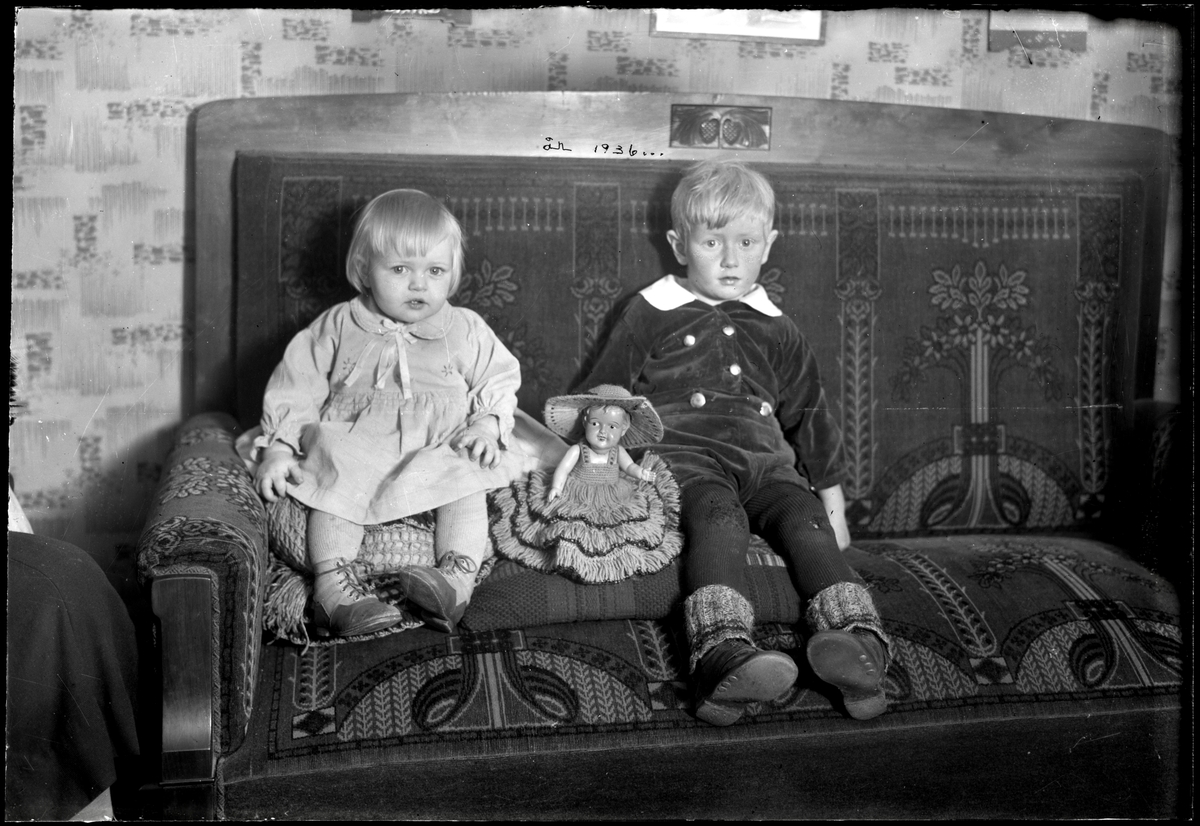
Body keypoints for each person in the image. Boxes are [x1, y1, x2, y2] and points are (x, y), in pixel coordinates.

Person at [576, 160, 892, 725]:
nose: (729, 259)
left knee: (806, 521)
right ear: (679, 245)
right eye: (711, 242)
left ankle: (858, 646)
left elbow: (810, 415)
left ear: (768, 245)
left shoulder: (778, 328)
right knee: (719, 520)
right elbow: (606, 392)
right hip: (688, 464)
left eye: (746, 243)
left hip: (769, 468)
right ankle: (721, 655)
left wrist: (834, 505)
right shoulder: (649, 312)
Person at [253, 188, 524, 636]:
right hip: (356, 437)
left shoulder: (464, 328)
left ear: (452, 273)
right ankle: (333, 590)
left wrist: (486, 425)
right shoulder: (339, 324)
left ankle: (454, 582)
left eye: (435, 271)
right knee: (335, 469)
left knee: (466, 473)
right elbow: (297, 384)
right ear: (364, 269)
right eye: (400, 269)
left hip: (439, 440)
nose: (419, 284)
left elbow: (497, 378)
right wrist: (279, 448)